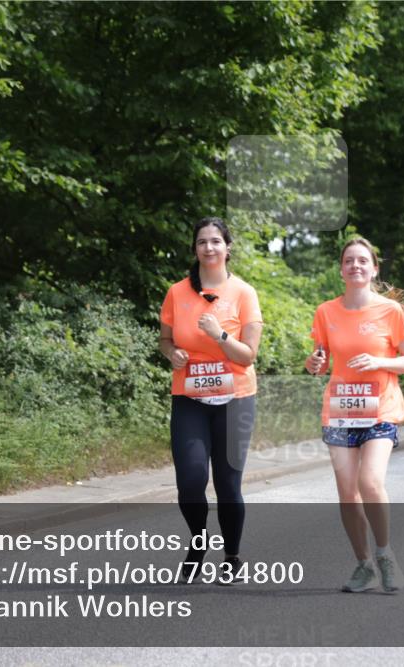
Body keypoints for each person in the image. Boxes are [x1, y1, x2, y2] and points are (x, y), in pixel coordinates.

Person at [305, 238, 404, 594]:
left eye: (362, 261)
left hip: (380, 407)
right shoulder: (326, 311)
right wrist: (314, 364)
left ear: (374, 269)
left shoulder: (390, 312)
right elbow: (318, 362)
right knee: (348, 494)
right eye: (349, 261)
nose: (355, 266)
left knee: (370, 482)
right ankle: (363, 563)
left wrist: (380, 361)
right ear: (341, 269)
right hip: (340, 409)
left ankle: (385, 555)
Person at [159, 217, 262, 584]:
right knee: (190, 480)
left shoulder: (244, 294)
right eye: (202, 242)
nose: (209, 248)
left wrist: (218, 334)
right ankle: (198, 542)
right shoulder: (177, 292)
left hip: (235, 398)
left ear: (227, 247)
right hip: (190, 397)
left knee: (227, 483)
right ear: (195, 249)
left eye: (216, 241)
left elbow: (248, 355)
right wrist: (172, 354)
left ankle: (231, 556)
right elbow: (165, 340)